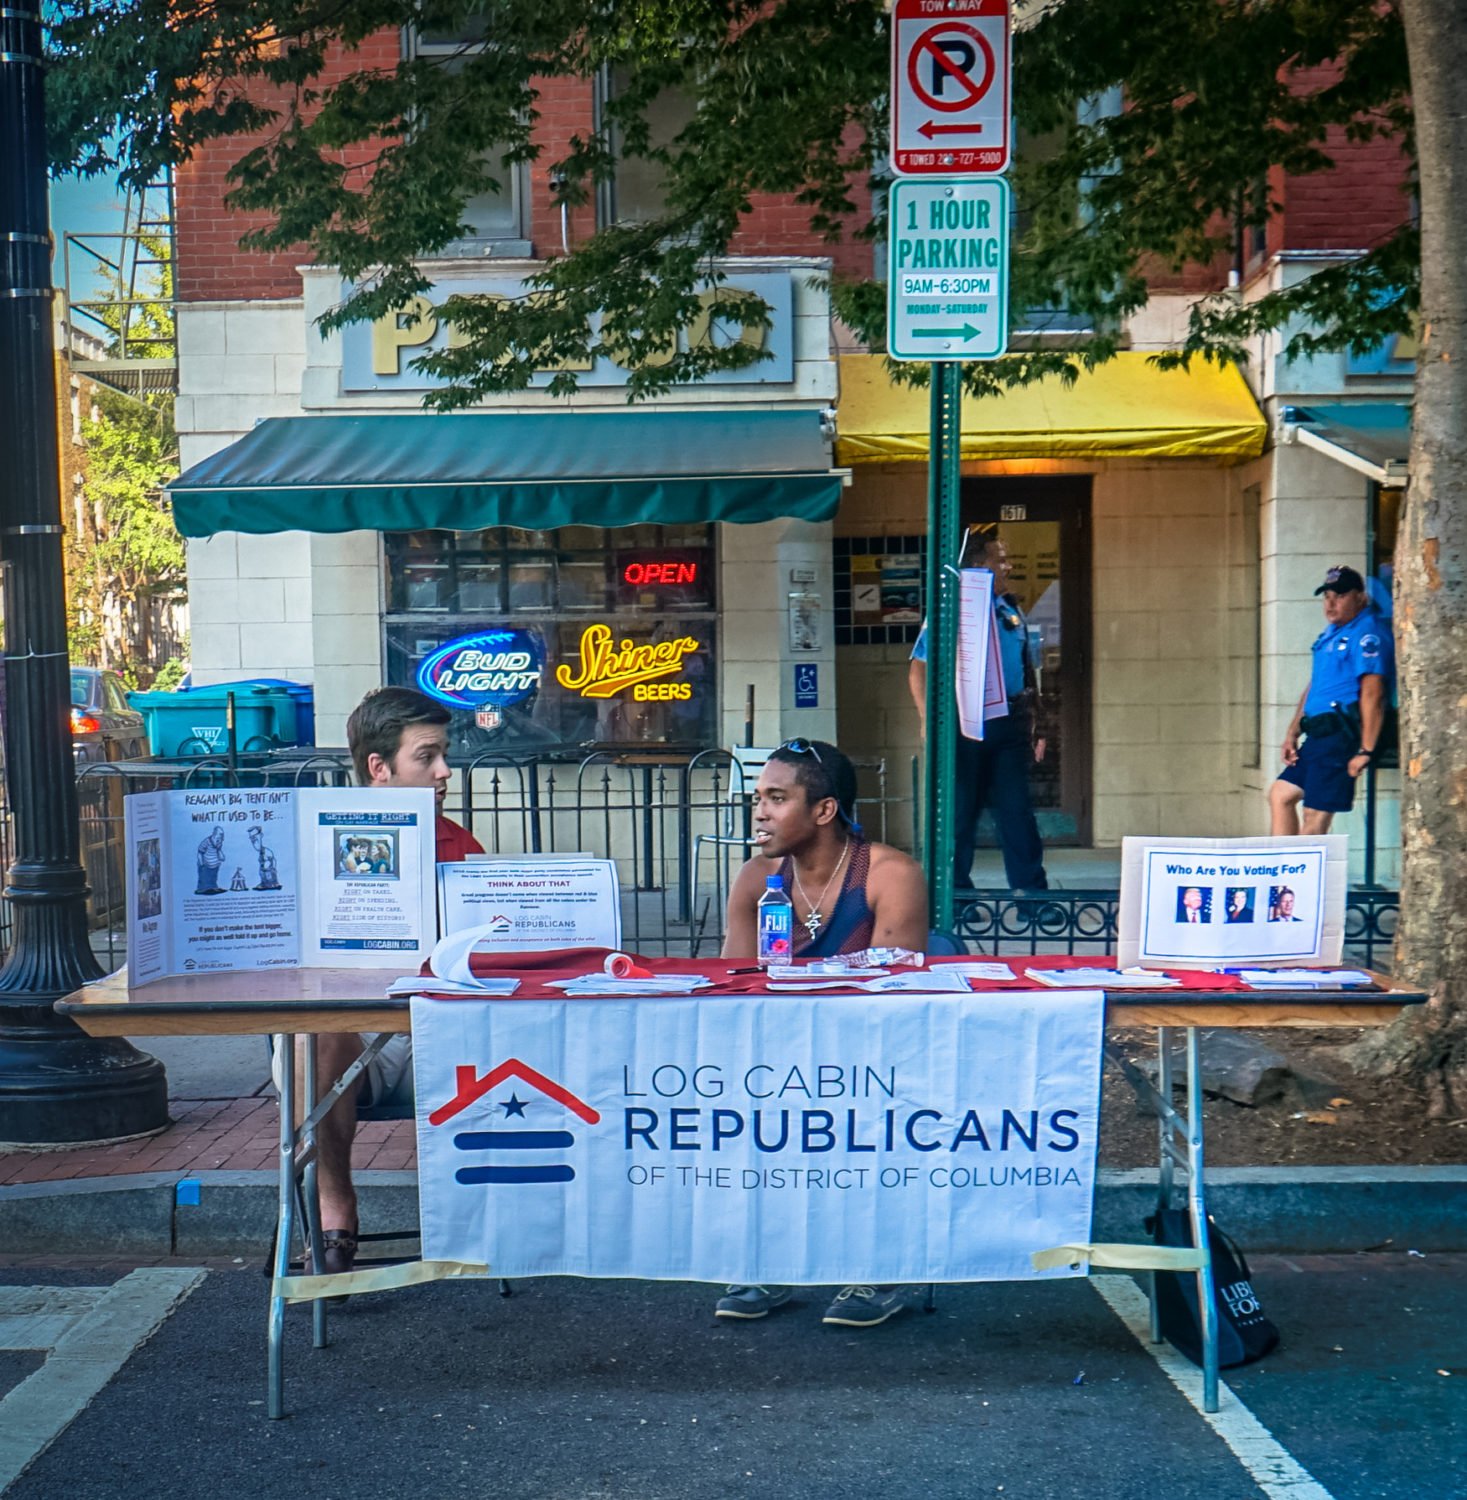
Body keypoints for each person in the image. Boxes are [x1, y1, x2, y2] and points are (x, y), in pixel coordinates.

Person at [718, 738, 927, 1328]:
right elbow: (734, 986)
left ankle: (877, 1267)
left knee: (856, 1106)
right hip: (781, 1047)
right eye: (758, 798)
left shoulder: (891, 874)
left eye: (777, 798)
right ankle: (769, 1261)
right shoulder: (755, 879)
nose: (760, 812)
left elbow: (892, 996)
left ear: (824, 811)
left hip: (872, 1051)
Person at [277, 686, 484, 1276]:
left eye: (445, 755)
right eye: (428, 756)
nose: (446, 771)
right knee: (316, 1031)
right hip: (352, 1039)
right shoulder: (314, 841)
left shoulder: (459, 845)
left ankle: (494, 1216)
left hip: (436, 1037)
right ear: (379, 767)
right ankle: (335, 1205)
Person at [908, 531, 1048, 894]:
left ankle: (1031, 896)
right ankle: (958, 896)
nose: (1008, 566)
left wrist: (1037, 723)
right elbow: (918, 669)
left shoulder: (1009, 607)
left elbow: (1026, 669)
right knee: (960, 815)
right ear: (977, 567)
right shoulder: (952, 610)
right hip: (964, 722)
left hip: (1009, 722)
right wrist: (928, 719)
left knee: (1017, 814)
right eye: (999, 559)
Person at [1270, 565, 1395, 836]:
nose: (1331, 603)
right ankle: (1282, 871)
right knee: (1280, 795)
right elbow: (1315, 686)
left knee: (1314, 817)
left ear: (1360, 597)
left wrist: (1366, 750)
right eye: (1326, 596)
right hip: (1316, 735)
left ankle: (1300, 877)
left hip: (1340, 735)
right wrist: (1293, 731)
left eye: (1340, 595)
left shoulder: (1367, 634)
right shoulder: (1331, 634)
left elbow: (1373, 694)